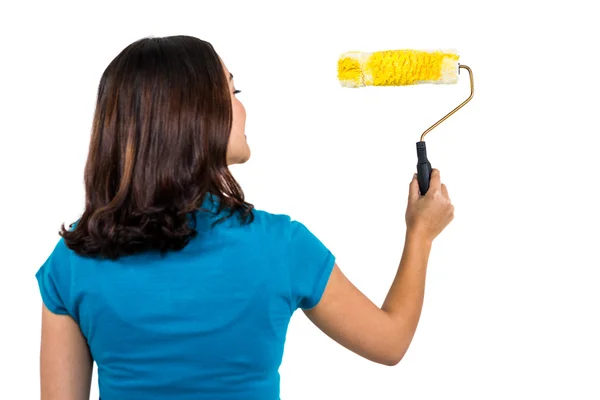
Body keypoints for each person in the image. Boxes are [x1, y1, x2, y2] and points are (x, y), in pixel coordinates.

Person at [35, 35, 454, 400]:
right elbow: (390, 341)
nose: (242, 109)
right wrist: (420, 233)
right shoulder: (281, 246)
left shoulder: (74, 258)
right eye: (232, 93)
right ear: (193, 116)